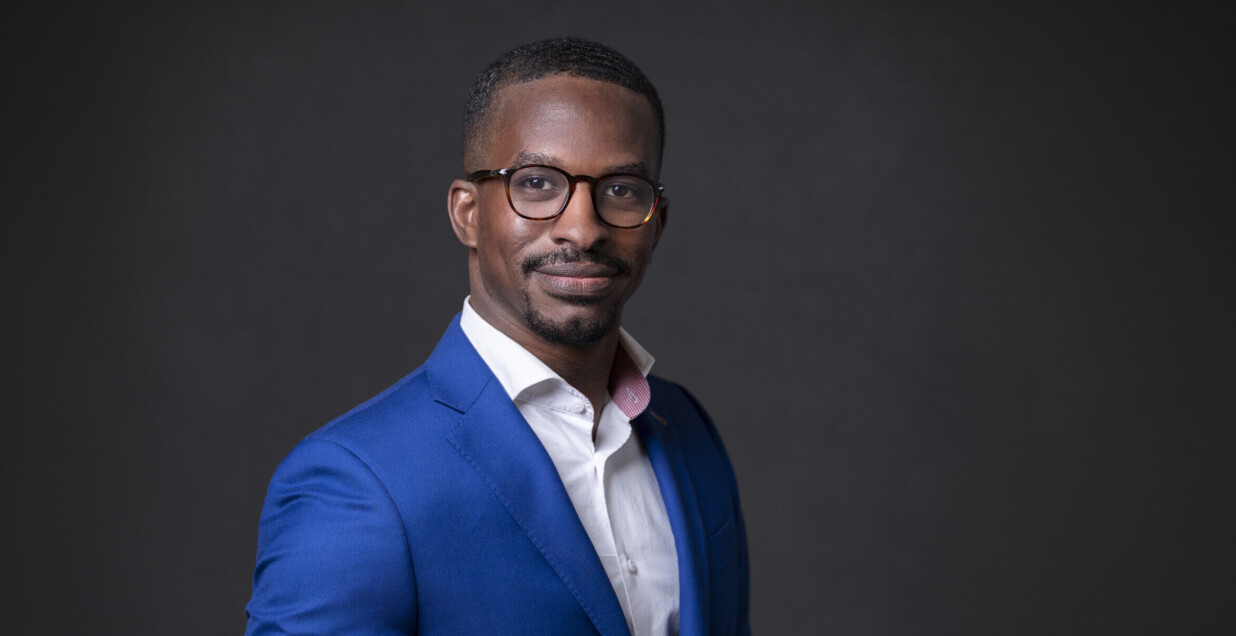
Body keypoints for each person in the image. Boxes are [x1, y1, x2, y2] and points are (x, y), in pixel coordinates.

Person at [244, 37, 749, 636]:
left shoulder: (688, 427)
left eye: (620, 189)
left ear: (656, 223)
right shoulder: (356, 482)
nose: (582, 229)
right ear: (467, 214)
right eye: (536, 183)